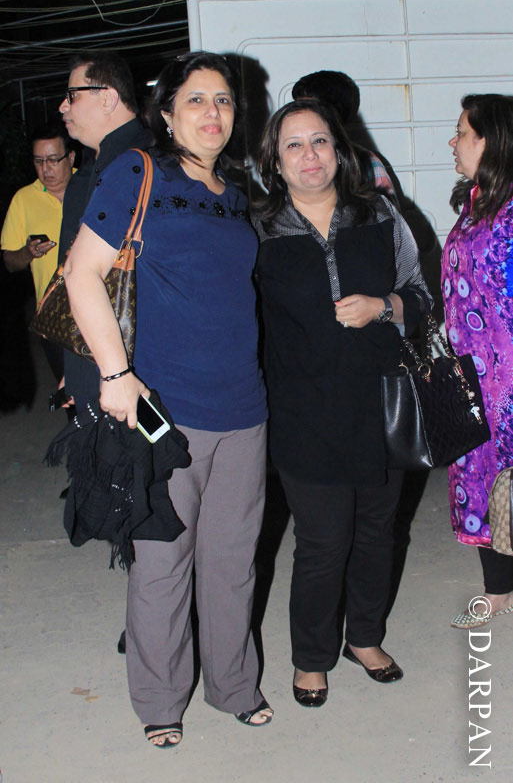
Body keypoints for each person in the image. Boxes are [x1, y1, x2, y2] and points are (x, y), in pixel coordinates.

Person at [63, 51, 272, 747]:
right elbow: (81, 273)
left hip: (244, 406)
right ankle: (159, 700)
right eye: (196, 100)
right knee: (162, 560)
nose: (213, 112)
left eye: (224, 100)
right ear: (167, 113)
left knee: (233, 560)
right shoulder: (137, 171)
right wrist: (115, 375)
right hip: (165, 408)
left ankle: (233, 686)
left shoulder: (235, 192)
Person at [253, 99, 432, 706]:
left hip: (380, 401)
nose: (310, 155)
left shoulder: (378, 214)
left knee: (379, 530)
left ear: (339, 149)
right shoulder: (257, 229)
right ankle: (311, 656)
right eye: (294, 145)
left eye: (320, 141)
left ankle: (365, 636)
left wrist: (384, 307)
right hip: (302, 411)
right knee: (323, 541)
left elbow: (421, 295)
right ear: (275, 162)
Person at [442, 93, 513, 628]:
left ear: (492, 141)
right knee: (484, 482)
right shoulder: (476, 202)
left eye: (463, 132)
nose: (453, 141)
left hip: (507, 381)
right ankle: (500, 589)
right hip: (474, 380)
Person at [58, 49, 151, 409]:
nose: (63, 107)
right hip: (100, 362)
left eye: (72, 96)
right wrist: (78, 363)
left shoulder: (149, 164)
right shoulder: (89, 172)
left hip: (139, 367)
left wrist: (112, 371)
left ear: (108, 98)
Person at [1, 122, 75, 380]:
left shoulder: (92, 187)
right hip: (54, 317)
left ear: (71, 158)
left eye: (53, 160)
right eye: (39, 161)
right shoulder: (24, 199)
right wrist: (29, 252)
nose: (46, 169)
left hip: (101, 307)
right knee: (70, 391)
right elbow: (10, 261)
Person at [292, 70, 396, 197]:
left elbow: (387, 207)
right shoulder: (290, 159)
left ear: (336, 114)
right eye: (297, 108)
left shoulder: (366, 164)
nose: (299, 116)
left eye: (309, 110)